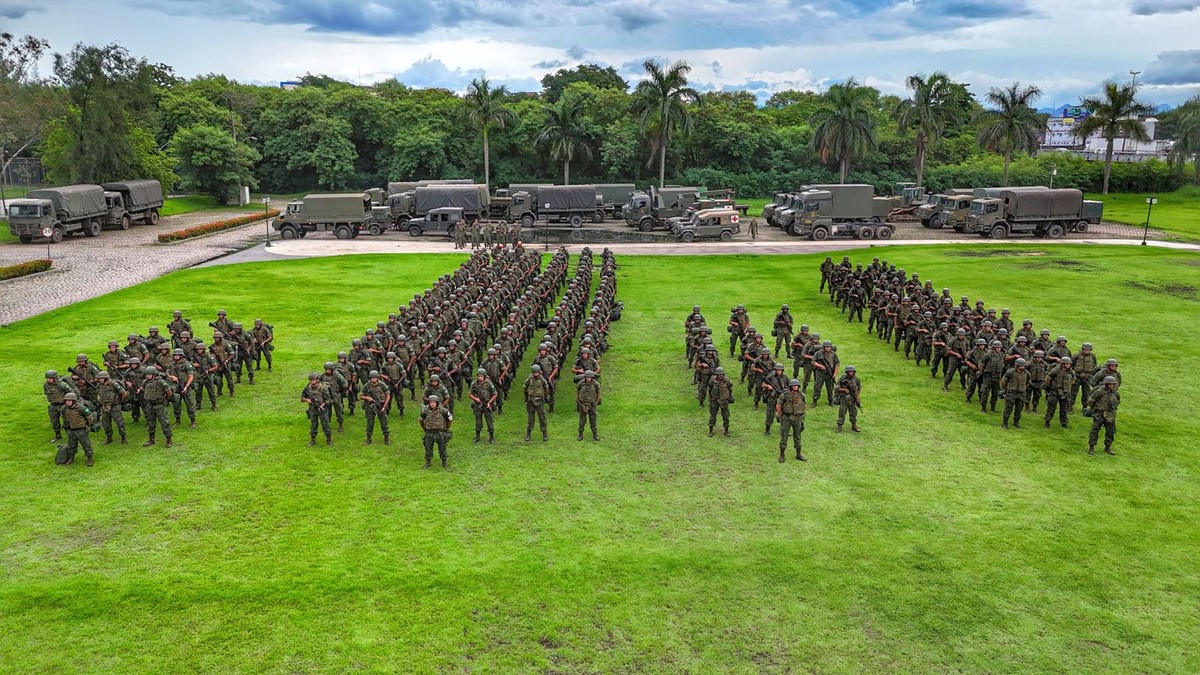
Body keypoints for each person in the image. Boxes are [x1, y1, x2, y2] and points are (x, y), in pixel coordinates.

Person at [59, 393, 97, 466]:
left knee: (86, 444)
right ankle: (71, 458)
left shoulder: (81, 408)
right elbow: (64, 417)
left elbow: (90, 418)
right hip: (71, 430)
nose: (67, 402)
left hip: (81, 430)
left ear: (74, 401)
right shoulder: (64, 408)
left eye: (69, 401)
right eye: (66, 401)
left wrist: (87, 425)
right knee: (71, 445)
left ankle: (89, 458)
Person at [1085, 376, 1120, 455]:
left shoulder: (1115, 393)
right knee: (1095, 430)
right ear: (1106, 384)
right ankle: (1091, 447)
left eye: (1112, 384)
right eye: (1109, 384)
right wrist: (1093, 408)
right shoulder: (1099, 391)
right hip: (1099, 413)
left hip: (1110, 414)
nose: (1111, 386)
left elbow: (1117, 401)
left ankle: (1108, 447)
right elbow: (1091, 400)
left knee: (1110, 431)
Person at [140, 367, 174, 447]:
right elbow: (143, 389)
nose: (147, 376)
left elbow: (169, 392)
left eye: (149, 374)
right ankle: (151, 439)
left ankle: (169, 440)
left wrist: (165, 399)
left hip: (159, 405)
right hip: (149, 405)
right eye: (146, 375)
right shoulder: (145, 382)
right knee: (150, 423)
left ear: (154, 374)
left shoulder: (161, 382)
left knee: (164, 423)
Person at [776, 379, 806, 462]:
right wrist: (779, 415)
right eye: (793, 386)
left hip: (798, 418)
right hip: (787, 418)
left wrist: (802, 415)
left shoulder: (801, 395)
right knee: (784, 437)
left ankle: (798, 454)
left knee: (798, 437)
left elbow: (804, 405)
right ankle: (782, 455)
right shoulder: (784, 395)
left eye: (796, 386)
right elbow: (778, 405)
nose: (795, 387)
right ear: (790, 386)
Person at [93, 371, 127, 445]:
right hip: (104, 407)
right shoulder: (99, 385)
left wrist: (119, 401)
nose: (99, 380)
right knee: (106, 423)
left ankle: (123, 437)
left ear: (105, 378)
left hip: (115, 407)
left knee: (119, 422)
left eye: (101, 378)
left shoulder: (114, 384)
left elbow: (124, 393)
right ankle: (109, 437)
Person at [420, 394, 454, 468]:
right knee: (428, 447)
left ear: (437, 403)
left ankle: (444, 462)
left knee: (442, 447)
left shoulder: (443, 410)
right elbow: (421, 420)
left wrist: (446, 428)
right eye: (431, 402)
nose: (432, 404)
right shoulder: (425, 411)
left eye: (434, 402)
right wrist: (424, 428)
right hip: (429, 432)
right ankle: (428, 462)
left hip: (440, 432)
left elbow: (450, 420)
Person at [301, 372, 334, 447]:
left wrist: (323, 404)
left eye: (313, 380)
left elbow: (329, 399)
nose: (312, 381)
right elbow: (302, 397)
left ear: (317, 380)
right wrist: (307, 400)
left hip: (322, 409)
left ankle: (329, 440)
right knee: (313, 425)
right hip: (312, 409)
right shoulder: (308, 388)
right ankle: (313, 440)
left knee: (325, 425)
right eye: (311, 380)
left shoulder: (323, 388)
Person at [360, 370, 392, 446]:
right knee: (370, 423)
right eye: (372, 378)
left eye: (375, 378)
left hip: (381, 406)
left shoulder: (382, 385)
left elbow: (388, 395)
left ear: (377, 378)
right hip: (370, 406)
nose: (373, 379)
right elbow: (361, 396)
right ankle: (368, 439)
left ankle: (386, 437)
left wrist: (384, 406)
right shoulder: (367, 386)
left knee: (384, 423)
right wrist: (367, 398)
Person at [44, 369, 74, 443]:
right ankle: (57, 435)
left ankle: (71, 436)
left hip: (62, 405)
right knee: (54, 421)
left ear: (54, 378)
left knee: (67, 421)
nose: (48, 380)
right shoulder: (46, 385)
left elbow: (71, 393)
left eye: (50, 378)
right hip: (53, 405)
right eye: (47, 378)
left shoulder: (62, 385)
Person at [1043, 356, 1074, 428]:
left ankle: (1064, 423)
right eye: (1066, 364)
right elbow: (1048, 379)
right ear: (1062, 364)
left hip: (1065, 392)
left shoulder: (1070, 371)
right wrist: (1049, 388)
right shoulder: (1056, 370)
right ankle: (1047, 422)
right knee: (1051, 408)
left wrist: (1068, 387)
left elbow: (1073, 379)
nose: (1068, 365)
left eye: (1069, 364)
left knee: (1064, 409)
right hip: (1055, 391)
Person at [1000, 358, 1030, 429]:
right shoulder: (1010, 372)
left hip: (1021, 394)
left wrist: (1023, 388)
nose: (1022, 367)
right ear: (1017, 365)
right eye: (1021, 366)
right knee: (1008, 408)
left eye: (1023, 366)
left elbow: (1028, 382)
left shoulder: (1027, 373)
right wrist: (1007, 389)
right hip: (1012, 393)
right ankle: (1005, 423)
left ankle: (1016, 423)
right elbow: (1003, 382)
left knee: (1019, 409)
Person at [469, 368, 497, 444]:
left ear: (484, 376)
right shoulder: (474, 384)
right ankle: (477, 437)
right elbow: (470, 394)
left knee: (489, 422)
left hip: (487, 405)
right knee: (478, 422)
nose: (480, 377)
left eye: (481, 376)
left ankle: (491, 437)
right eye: (479, 376)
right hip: (477, 405)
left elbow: (495, 394)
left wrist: (489, 402)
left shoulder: (489, 384)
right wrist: (475, 399)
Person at [523, 364, 550, 442]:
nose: (535, 374)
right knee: (530, 418)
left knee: (542, 417)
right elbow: (525, 387)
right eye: (534, 372)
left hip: (540, 401)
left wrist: (546, 396)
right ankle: (528, 434)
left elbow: (546, 387)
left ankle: (544, 433)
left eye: (537, 372)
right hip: (531, 401)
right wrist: (526, 398)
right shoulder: (529, 379)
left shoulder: (542, 379)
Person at [706, 366, 734, 437]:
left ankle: (726, 431)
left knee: (726, 416)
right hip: (714, 401)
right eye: (719, 375)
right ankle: (711, 430)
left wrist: (728, 397)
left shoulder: (727, 381)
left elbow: (730, 389)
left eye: (722, 374)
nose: (720, 376)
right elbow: (710, 389)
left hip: (724, 401)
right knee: (712, 415)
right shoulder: (712, 381)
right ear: (716, 375)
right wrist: (711, 399)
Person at [576, 370, 601, 441]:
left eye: (589, 377)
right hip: (583, 404)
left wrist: (596, 403)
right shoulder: (581, 383)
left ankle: (595, 434)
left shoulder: (595, 384)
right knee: (582, 420)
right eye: (587, 377)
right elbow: (577, 391)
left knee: (593, 420)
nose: (588, 378)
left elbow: (598, 394)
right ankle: (580, 434)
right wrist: (578, 401)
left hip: (592, 404)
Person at [835, 365, 862, 432]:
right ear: (847, 372)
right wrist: (844, 390)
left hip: (853, 399)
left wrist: (857, 397)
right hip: (844, 399)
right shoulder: (842, 379)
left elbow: (859, 387)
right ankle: (839, 426)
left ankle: (854, 426)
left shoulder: (856, 379)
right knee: (842, 412)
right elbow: (836, 388)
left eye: (852, 371)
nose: (851, 373)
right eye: (849, 371)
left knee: (853, 413)